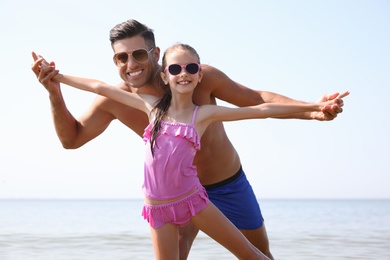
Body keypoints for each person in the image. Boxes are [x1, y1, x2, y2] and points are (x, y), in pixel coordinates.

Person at [31, 19, 349, 260]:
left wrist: (312, 111)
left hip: (226, 184)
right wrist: (55, 93)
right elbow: (72, 140)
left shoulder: (195, 75)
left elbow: (256, 100)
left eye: (138, 54)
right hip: (175, 195)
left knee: (257, 253)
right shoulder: (119, 100)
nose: (131, 65)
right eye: (121, 58)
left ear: (155, 54)